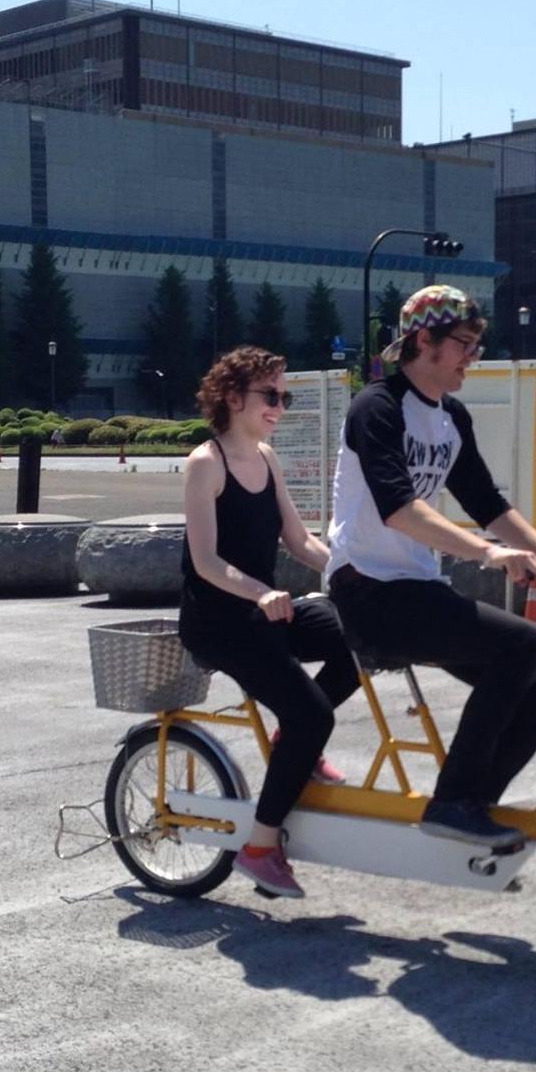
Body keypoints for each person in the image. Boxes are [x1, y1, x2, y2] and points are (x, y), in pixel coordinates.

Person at [326, 285, 536, 850]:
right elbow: (400, 509)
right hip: (368, 593)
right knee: (523, 644)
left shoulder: (450, 416)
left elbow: (487, 503)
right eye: (464, 345)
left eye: (477, 346)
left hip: (417, 591)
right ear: (422, 340)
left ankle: (471, 804)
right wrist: (488, 553)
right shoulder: (376, 408)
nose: (472, 358)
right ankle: (452, 803)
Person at [179, 345, 358, 900]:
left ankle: (288, 741)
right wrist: (260, 593)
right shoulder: (205, 463)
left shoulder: (267, 457)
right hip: (220, 621)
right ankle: (259, 847)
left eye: (286, 395)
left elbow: (299, 540)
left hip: (266, 610)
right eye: (271, 395)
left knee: (363, 637)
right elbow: (205, 561)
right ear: (233, 398)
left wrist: (357, 570)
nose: (281, 406)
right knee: (313, 713)